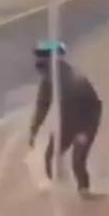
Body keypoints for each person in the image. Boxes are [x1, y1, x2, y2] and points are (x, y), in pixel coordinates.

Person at [28, 40, 102, 199]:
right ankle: (61, 187)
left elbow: (95, 106)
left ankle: (85, 193)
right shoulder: (49, 79)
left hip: (86, 121)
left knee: (77, 160)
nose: (39, 68)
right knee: (50, 156)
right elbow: (43, 105)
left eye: (42, 62)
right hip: (67, 121)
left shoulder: (74, 79)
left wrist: (85, 133)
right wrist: (34, 130)